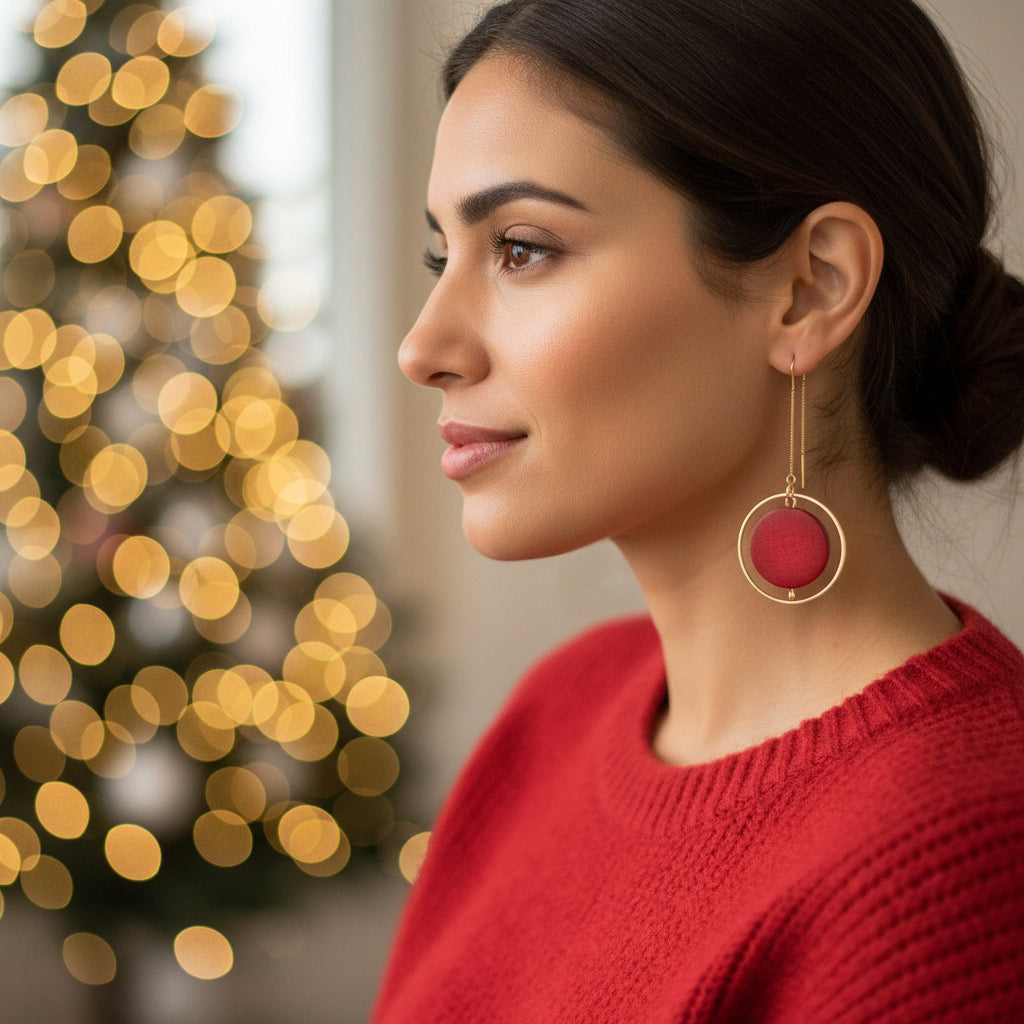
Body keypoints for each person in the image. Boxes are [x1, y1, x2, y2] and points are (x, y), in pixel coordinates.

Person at [372, 0, 1024, 1019]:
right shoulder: (561, 711)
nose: (423, 345)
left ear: (810, 288)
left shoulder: (960, 860)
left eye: (523, 248)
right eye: (438, 256)